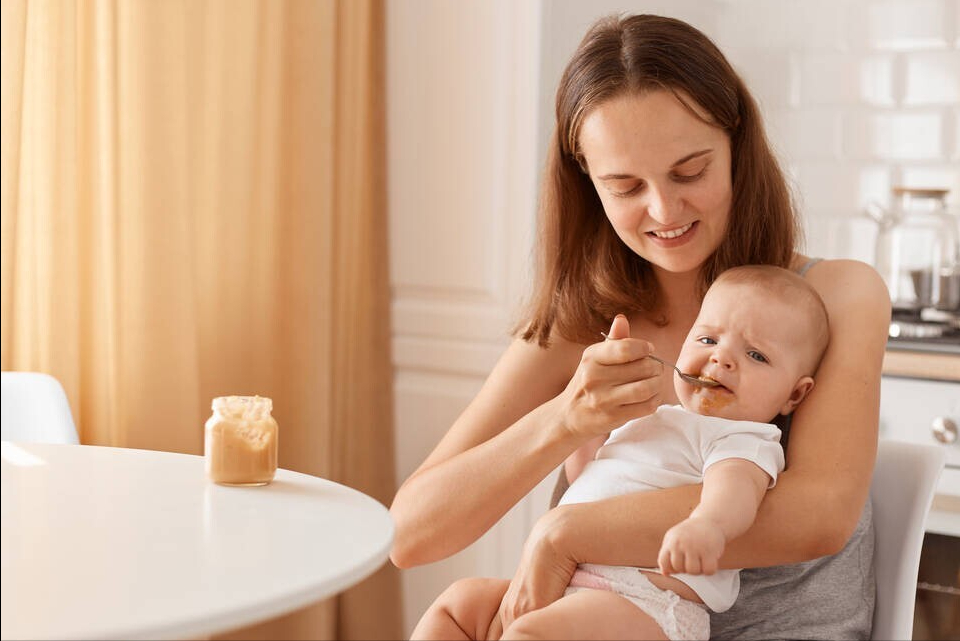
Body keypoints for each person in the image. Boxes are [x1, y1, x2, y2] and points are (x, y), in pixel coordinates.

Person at [389, 12, 890, 641]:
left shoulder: (834, 296)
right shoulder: (585, 321)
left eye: (689, 172)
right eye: (625, 186)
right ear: (588, 185)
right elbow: (410, 533)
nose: (664, 210)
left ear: (737, 146)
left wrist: (563, 534)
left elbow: (820, 515)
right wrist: (565, 419)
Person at [410, 265, 829, 641]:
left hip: (646, 605)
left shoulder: (744, 438)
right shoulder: (660, 417)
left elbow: (736, 490)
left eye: (755, 355)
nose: (721, 357)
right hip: (573, 585)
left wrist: (708, 526)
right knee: (458, 605)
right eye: (707, 339)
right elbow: (591, 478)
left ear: (794, 394)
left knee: (533, 633)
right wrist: (589, 420)